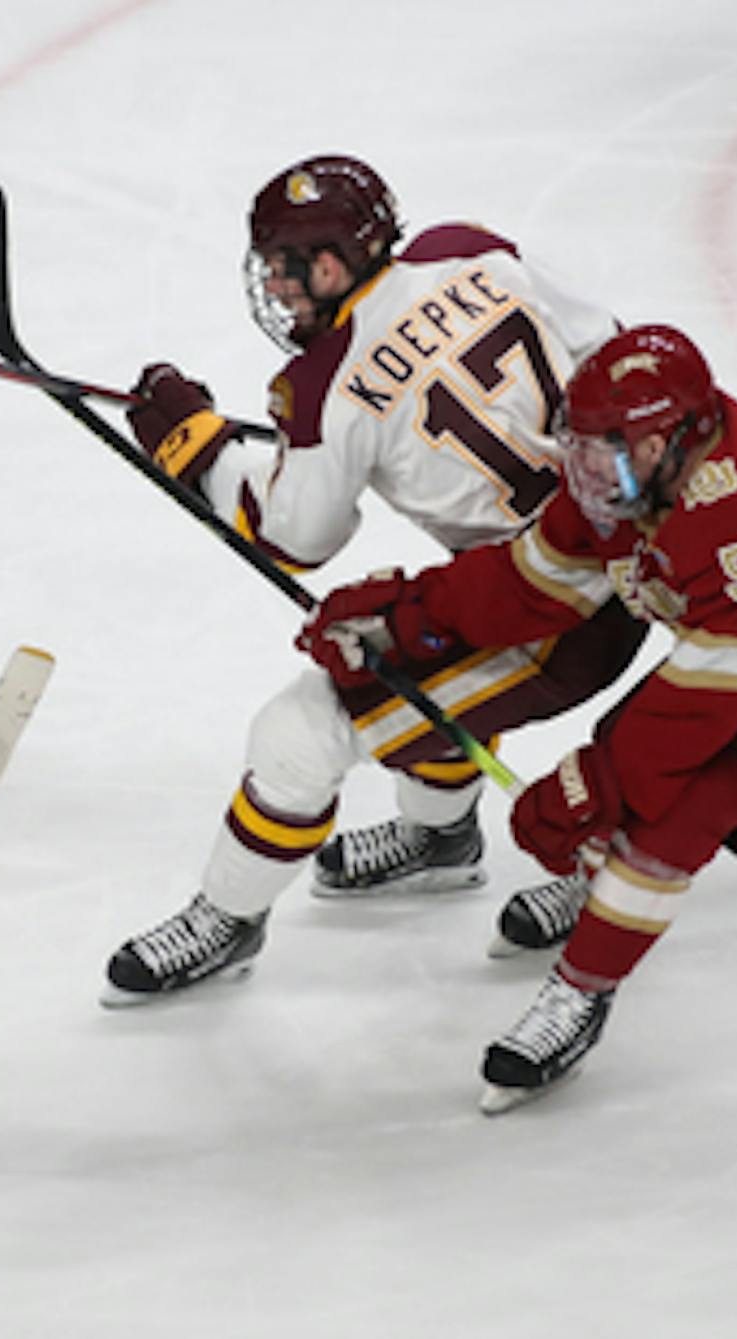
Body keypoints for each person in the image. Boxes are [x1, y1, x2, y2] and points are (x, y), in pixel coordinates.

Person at [300, 323, 737, 1110]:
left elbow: (703, 703)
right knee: (628, 761)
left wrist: (594, 786)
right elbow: (531, 585)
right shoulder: (631, 473)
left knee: (679, 811)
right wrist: (407, 619)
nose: (584, 472)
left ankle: (581, 991)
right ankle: (596, 884)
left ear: (677, 439)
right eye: (576, 444)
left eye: (607, 448)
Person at [103, 153, 644, 1004]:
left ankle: (226, 918)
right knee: (429, 649)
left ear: (329, 262)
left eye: (284, 265)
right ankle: (439, 840)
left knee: (299, 733)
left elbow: (297, 534)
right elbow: (613, 347)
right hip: (633, 553)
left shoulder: (325, 384)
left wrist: (199, 448)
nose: (275, 288)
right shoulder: (470, 251)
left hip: (552, 619)